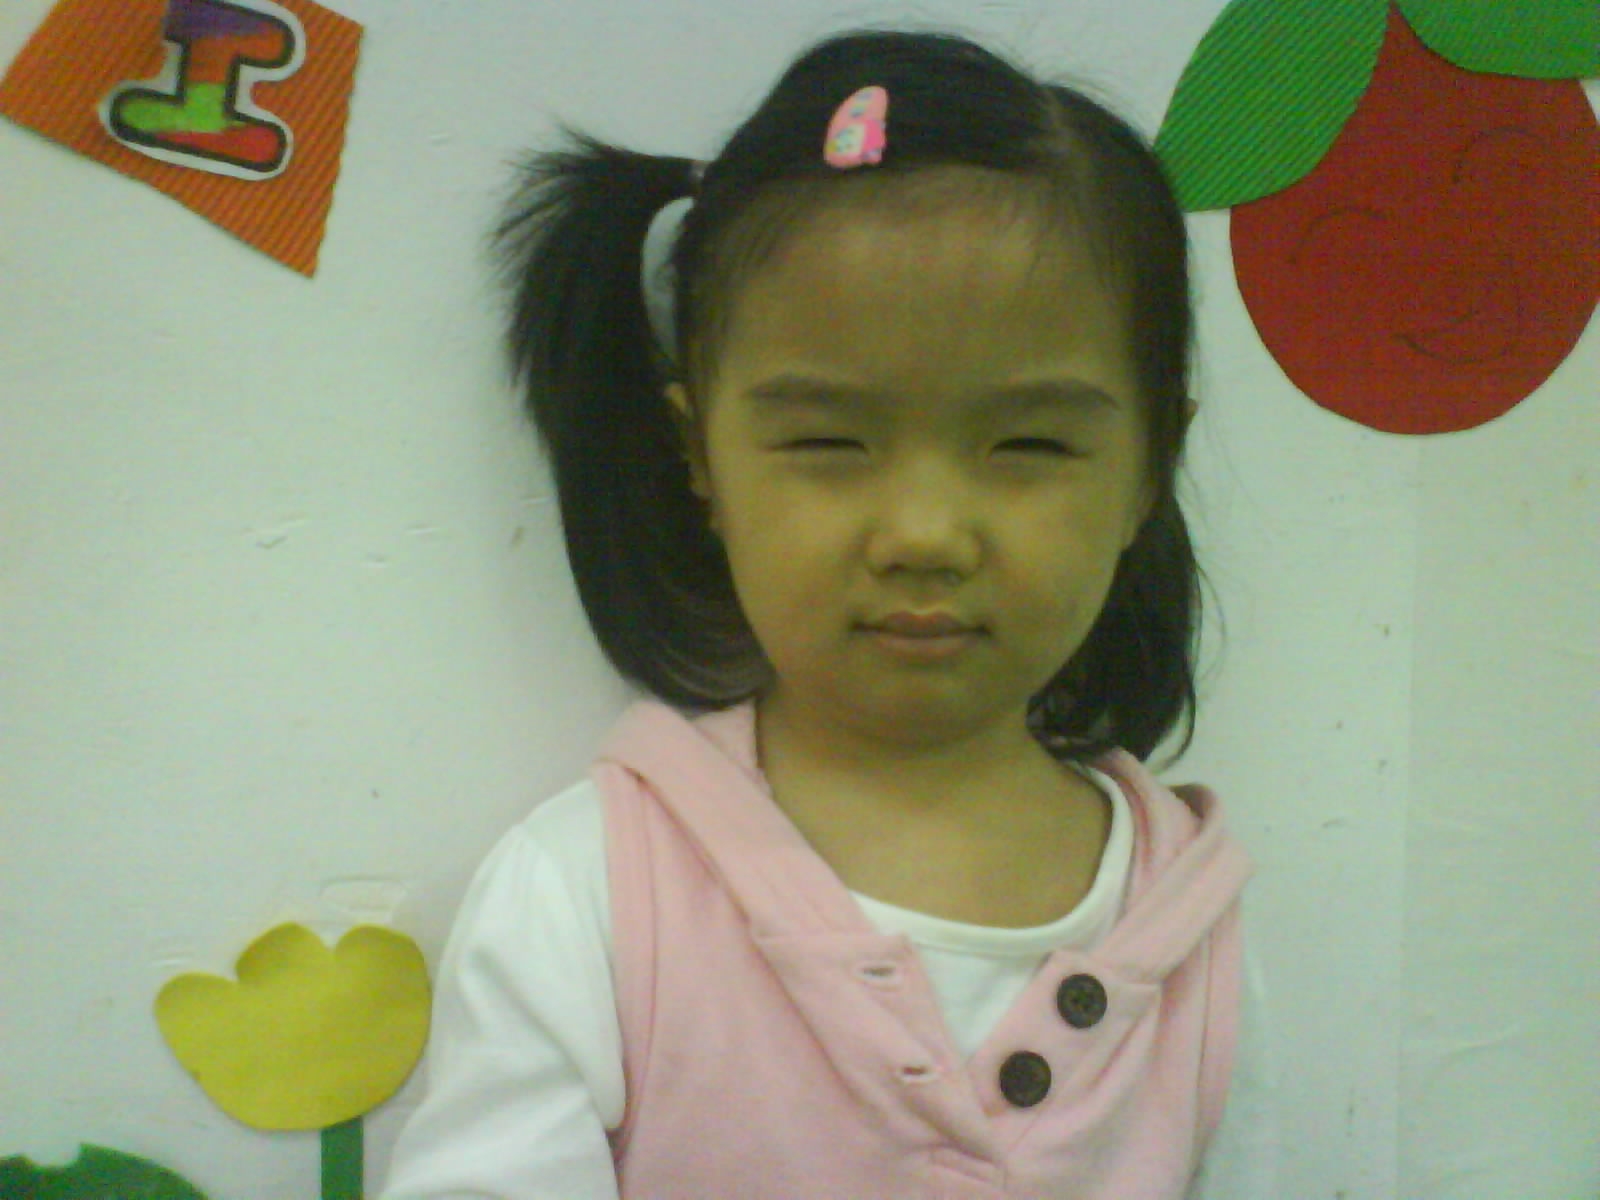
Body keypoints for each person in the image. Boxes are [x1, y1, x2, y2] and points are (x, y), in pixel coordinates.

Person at [384, 28, 1273, 1200]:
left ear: (1149, 464)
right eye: (827, 442)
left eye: (1027, 444)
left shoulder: (1193, 928)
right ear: (700, 453)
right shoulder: (587, 894)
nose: (923, 533)